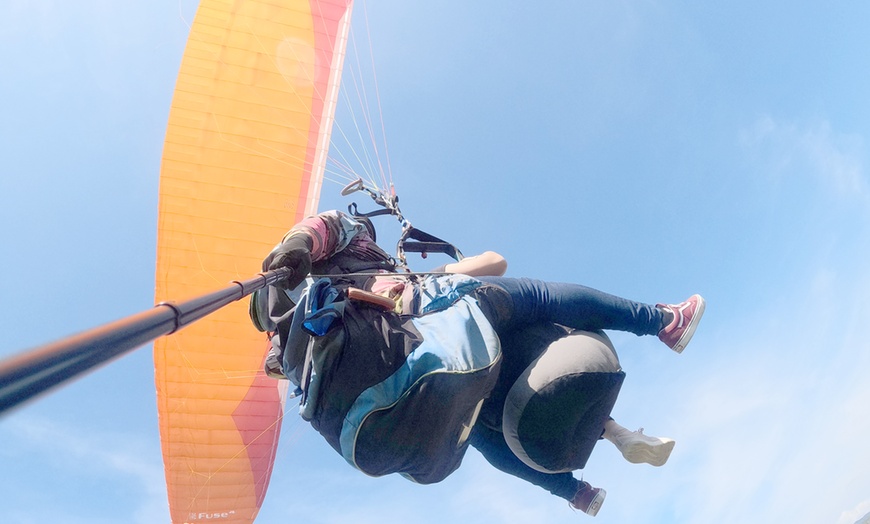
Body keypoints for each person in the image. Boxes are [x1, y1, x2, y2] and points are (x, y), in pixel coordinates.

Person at [260, 210, 705, 517]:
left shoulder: (296, 324)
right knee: (542, 300)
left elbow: (278, 357)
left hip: (412, 377)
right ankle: (663, 322)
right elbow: (319, 228)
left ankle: (574, 492)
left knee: (473, 423)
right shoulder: (355, 240)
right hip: (426, 319)